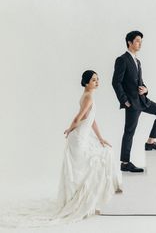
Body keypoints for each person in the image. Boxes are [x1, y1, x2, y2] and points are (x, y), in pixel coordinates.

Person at [0, 70, 122, 227]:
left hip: (83, 137)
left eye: (98, 80)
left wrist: (100, 138)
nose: (97, 82)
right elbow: (78, 117)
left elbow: (91, 120)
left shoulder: (87, 96)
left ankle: (91, 199)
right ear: (86, 83)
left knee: (101, 156)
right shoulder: (88, 97)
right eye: (93, 80)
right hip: (79, 139)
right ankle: (83, 200)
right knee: (95, 161)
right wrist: (70, 129)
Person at [112, 31, 156, 173]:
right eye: (137, 41)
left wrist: (146, 89)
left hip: (142, 100)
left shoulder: (137, 61)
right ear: (129, 42)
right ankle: (125, 163)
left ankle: (150, 143)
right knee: (129, 132)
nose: (140, 43)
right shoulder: (122, 60)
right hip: (131, 103)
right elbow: (115, 82)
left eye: (141, 41)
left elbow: (140, 82)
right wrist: (124, 100)